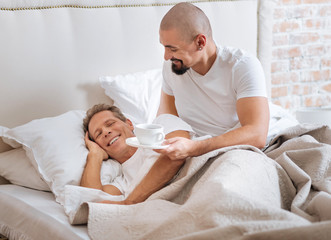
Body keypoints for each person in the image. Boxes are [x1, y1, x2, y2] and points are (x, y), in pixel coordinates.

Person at [155, 2, 270, 160]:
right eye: (164, 47)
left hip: (238, 148)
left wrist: (195, 148)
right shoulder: (170, 67)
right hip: (196, 148)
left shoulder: (242, 65)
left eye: (173, 49)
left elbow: (257, 134)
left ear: (200, 42)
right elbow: (168, 117)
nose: (166, 56)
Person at [80, 103, 194, 200]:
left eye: (110, 124)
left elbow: (177, 153)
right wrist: (94, 155)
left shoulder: (161, 126)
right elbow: (90, 197)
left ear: (129, 124)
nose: (106, 132)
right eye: (98, 134)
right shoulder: (123, 183)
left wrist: (132, 201)